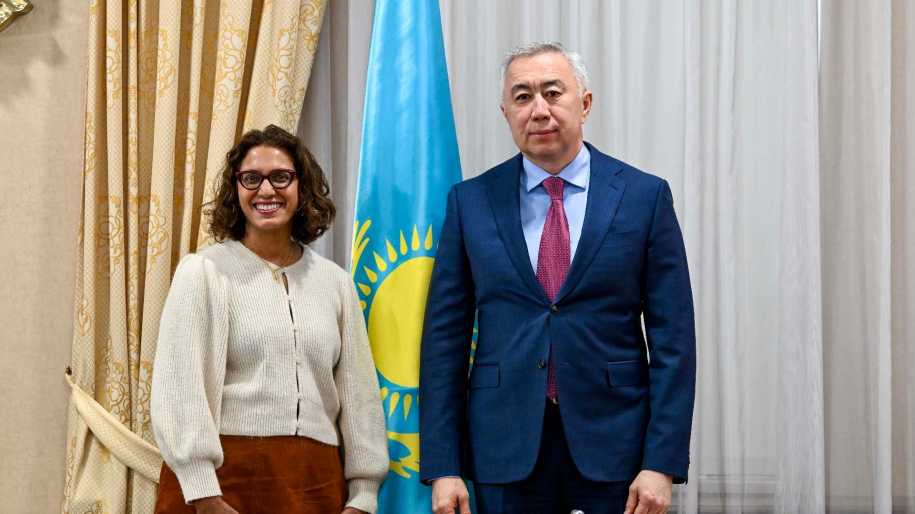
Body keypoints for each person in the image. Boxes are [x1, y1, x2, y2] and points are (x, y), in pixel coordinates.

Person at [419, 42, 696, 514]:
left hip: (617, 450)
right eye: (523, 97)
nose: (539, 110)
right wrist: (444, 466)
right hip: (502, 449)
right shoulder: (470, 202)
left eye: (552, 92)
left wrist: (661, 463)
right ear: (506, 113)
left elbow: (674, 341)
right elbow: (444, 343)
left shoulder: (643, 197)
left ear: (584, 104)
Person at [151, 125, 389, 514]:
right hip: (221, 482)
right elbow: (179, 387)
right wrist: (203, 493)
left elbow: (359, 394)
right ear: (235, 189)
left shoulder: (336, 283)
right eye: (251, 178)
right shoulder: (203, 272)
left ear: (302, 187)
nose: (266, 190)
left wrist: (364, 495)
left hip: (315, 483)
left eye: (281, 177)